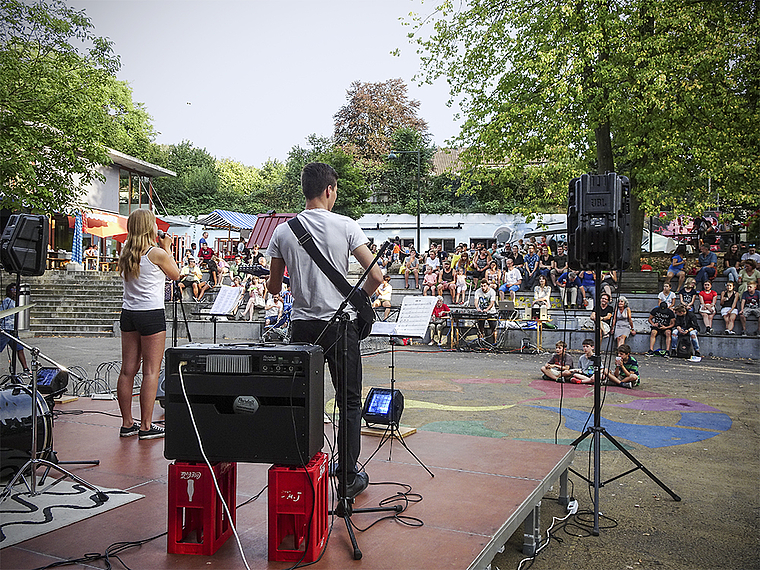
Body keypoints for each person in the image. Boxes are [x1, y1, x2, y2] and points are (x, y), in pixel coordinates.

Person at [266, 162, 382, 500]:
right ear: (329, 189)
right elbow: (376, 276)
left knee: (305, 400)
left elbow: (274, 287)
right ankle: (347, 476)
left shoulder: (284, 231)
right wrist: (356, 300)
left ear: (305, 190)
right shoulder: (346, 225)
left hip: (302, 328)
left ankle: (306, 466)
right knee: (348, 400)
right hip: (341, 326)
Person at [117, 209, 180, 440]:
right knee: (151, 371)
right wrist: (168, 248)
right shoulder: (156, 254)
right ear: (149, 227)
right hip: (151, 314)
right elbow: (176, 275)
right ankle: (145, 426)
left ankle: (127, 424)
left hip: (129, 314)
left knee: (127, 370)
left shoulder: (124, 252)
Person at [0, 283, 29, 373]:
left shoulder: (17, 301)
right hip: (6, 329)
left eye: (16, 290)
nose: (15, 292)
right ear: (9, 292)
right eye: (13, 290)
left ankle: (25, 368)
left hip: (13, 330)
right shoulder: (7, 301)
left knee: (19, 349)